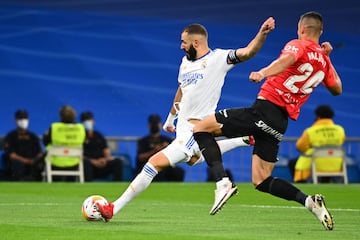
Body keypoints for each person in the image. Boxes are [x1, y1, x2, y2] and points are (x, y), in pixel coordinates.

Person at [95, 17, 274, 221]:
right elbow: (182, 89)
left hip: (196, 127)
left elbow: (247, 52)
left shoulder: (219, 59)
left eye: (184, 42)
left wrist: (262, 33)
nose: (181, 46)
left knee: (153, 164)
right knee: (193, 160)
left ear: (196, 43)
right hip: (182, 127)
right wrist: (171, 118)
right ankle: (244, 139)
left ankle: (113, 209)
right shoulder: (186, 63)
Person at [192, 11, 342, 230]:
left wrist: (263, 72)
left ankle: (222, 183)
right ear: (320, 32)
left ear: (301, 29)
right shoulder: (324, 61)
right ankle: (309, 202)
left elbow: (286, 60)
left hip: (264, 110)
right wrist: (326, 57)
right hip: (280, 122)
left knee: (200, 128)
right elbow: (337, 89)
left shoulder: (298, 45)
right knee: (261, 180)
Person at [288, 105, 346, 183]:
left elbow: (300, 147)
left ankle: (301, 186)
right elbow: (342, 142)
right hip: (336, 163)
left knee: (292, 163)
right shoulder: (340, 130)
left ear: (318, 116)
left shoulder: (310, 131)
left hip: (316, 163)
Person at [43, 105, 86, 181]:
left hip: (55, 161)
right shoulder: (81, 128)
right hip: (74, 161)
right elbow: (84, 142)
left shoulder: (54, 127)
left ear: (61, 116)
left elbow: (45, 142)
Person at [136, 114, 184, 182]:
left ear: (161, 125)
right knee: (156, 171)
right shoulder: (143, 141)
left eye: (156, 123)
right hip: (148, 165)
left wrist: (168, 149)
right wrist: (156, 150)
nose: (155, 126)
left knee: (178, 171)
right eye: (153, 123)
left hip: (165, 165)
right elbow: (140, 157)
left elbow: (175, 156)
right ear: (149, 125)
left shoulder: (167, 140)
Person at [80, 111, 123, 182]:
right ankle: (87, 186)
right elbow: (79, 155)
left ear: (93, 121)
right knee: (85, 163)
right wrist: (93, 161)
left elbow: (107, 152)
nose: (88, 122)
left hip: (102, 164)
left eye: (89, 120)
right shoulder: (80, 137)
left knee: (118, 162)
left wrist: (104, 160)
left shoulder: (99, 136)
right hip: (89, 166)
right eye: (85, 120)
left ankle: (117, 186)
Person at [1, 109, 44, 181]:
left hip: (32, 163)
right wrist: (26, 161)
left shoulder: (33, 136)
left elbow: (40, 152)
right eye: (21, 118)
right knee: (17, 164)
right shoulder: (11, 136)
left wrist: (35, 160)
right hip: (17, 164)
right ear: (16, 120)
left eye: (25, 118)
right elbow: (12, 155)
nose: (23, 121)